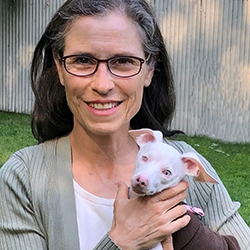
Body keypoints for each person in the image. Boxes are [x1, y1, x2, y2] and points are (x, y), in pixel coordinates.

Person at [0, 0, 249, 249]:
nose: (103, 84)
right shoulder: (23, 180)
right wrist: (123, 241)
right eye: (83, 60)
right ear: (59, 66)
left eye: (123, 61)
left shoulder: (184, 164)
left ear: (150, 69)